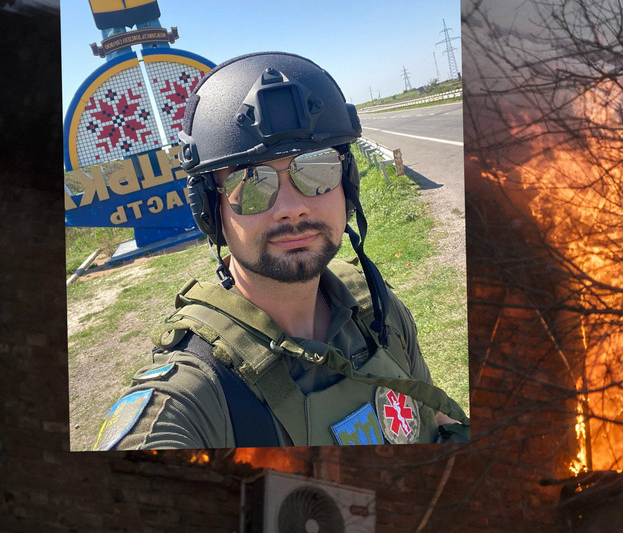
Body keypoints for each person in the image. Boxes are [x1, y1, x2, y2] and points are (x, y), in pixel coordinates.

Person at [93, 51, 468, 449]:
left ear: (348, 184)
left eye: (317, 170)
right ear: (211, 211)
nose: (292, 208)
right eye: (251, 183)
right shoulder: (199, 390)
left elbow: (437, 421)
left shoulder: (376, 310)